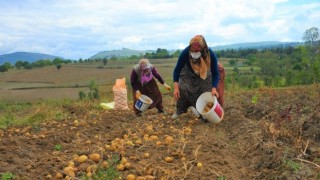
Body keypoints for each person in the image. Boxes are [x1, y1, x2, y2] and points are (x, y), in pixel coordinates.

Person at [171, 35, 220, 120]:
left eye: (196, 51)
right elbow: (177, 70)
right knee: (183, 88)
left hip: (203, 73)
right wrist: (175, 87)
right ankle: (179, 110)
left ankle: (201, 112)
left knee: (205, 92)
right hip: (188, 72)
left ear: (203, 49)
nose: (194, 53)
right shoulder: (186, 53)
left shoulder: (210, 54)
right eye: (192, 51)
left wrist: (214, 88)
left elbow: (215, 73)